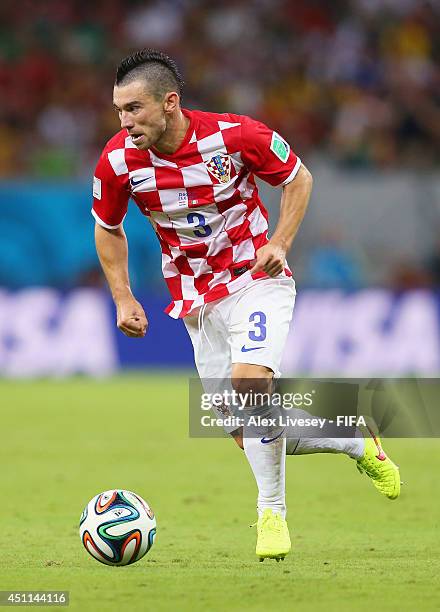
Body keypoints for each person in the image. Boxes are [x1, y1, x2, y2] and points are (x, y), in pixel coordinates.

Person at [92, 49, 401, 562]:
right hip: (195, 299)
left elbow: (297, 177)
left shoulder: (235, 135)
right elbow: (107, 228)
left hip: (256, 279)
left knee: (251, 382)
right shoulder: (118, 161)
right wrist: (123, 296)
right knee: (246, 429)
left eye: (134, 109)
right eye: (119, 111)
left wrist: (279, 242)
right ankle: (352, 438)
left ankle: (270, 513)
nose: (125, 122)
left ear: (169, 103)